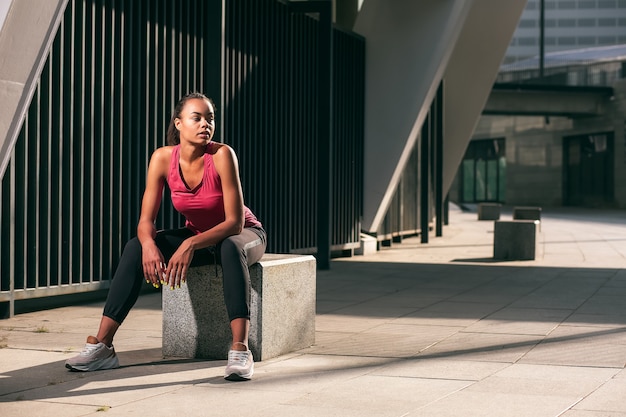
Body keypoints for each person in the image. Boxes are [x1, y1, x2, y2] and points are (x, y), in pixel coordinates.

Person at [65, 92, 267, 381]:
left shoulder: (222, 155)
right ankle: (103, 346)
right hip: (200, 236)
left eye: (210, 119)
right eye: (196, 118)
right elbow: (146, 221)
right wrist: (148, 244)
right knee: (135, 247)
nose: (205, 125)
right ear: (179, 123)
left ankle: (239, 349)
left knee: (230, 247)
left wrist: (189, 243)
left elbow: (234, 223)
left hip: (245, 234)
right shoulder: (162, 158)